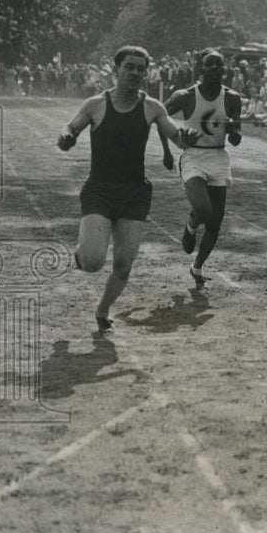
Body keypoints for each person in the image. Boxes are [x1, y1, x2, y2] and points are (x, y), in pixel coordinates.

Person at [57, 45, 199, 331]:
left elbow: (176, 136)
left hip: (134, 193)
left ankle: (103, 309)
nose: (135, 73)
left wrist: (187, 138)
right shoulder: (96, 105)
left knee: (123, 264)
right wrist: (67, 137)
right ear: (116, 70)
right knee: (93, 262)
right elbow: (71, 128)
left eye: (141, 68)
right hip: (99, 190)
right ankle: (81, 254)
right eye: (129, 67)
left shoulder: (152, 108)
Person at [160, 49, 242, 289]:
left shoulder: (232, 98)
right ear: (201, 69)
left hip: (218, 156)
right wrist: (168, 150)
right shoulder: (185, 96)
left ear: (225, 71)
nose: (216, 69)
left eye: (220, 65)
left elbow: (236, 139)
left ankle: (197, 267)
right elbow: (160, 117)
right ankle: (191, 226)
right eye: (210, 65)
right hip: (194, 157)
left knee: (215, 223)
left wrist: (233, 131)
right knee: (203, 209)